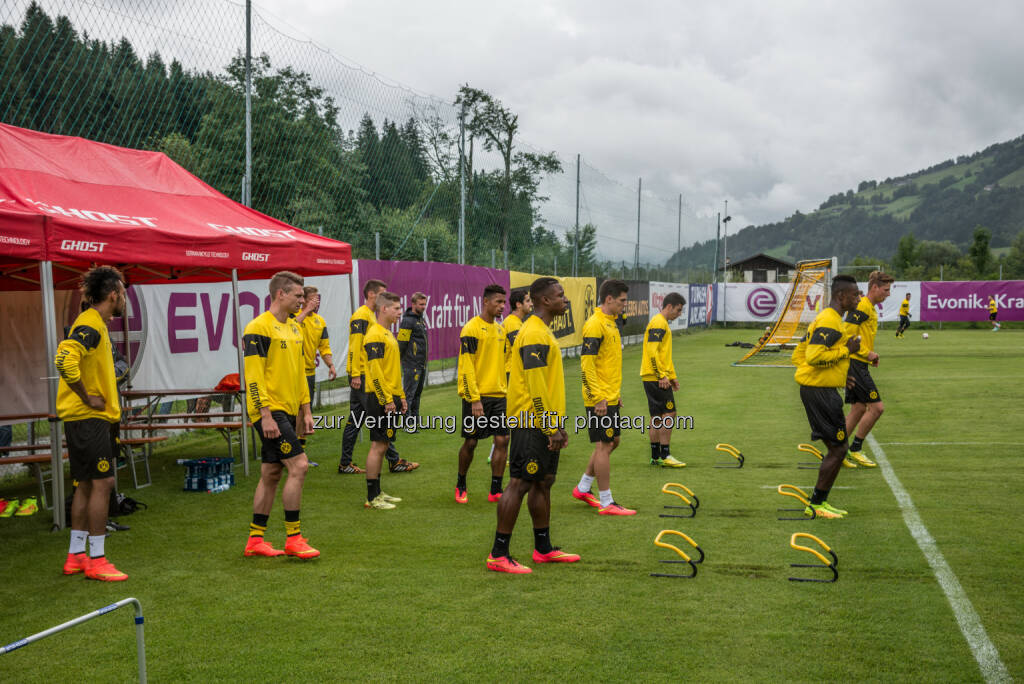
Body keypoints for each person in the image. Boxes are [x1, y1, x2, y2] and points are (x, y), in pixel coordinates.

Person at [487, 277, 580, 574]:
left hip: (544, 421)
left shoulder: (542, 331)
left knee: (543, 481)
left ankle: (543, 549)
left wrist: (557, 424)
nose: (564, 300)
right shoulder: (534, 334)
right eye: (560, 295)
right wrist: (548, 425)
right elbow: (536, 386)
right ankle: (498, 554)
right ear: (544, 301)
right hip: (531, 421)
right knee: (519, 483)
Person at [56, 266, 129, 581]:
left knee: (85, 485)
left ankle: (76, 556)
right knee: (103, 484)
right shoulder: (91, 324)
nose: (125, 297)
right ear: (113, 294)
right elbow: (64, 359)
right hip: (88, 418)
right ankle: (97, 560)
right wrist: (86, 397)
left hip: (86, 419)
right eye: (123, 291)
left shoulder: (93, 323)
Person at [243, 271, 319, 559]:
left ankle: (255, 540)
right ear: (280, 294)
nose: (303, 300)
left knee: (271, 473)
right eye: (299, 295)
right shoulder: (258, 328)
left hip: (287, 411)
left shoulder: (295, 328)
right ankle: (293, 538)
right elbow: (253, 376)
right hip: (269, 411)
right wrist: (265, 415)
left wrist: (306, 409)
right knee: (299, 466)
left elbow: (301, 374)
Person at [792, 274, 862, 519]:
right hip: (819, 393)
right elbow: (812, 356)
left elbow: (799, 354)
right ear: (841, 296)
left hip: (821, 389)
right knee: (839, 449)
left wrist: (837, 377)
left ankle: (819, 502)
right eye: (855, 294)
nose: (858, 298)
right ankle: (816, 504)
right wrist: (847, 350)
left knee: (838, 448)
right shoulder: (829, 320)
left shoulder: (830, 319)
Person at [572, 279, 635, 515]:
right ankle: (607, 502)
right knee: (605, 444)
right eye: (622, 301)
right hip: (599, 399)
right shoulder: (595, 324)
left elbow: (607, 363)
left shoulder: (610, 323)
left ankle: (583, 487)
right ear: (609, 299)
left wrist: (613, 395)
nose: (624, 306)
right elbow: (587, 365)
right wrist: (598, 396)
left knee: (612, 442)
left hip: (609, 396)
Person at [339, 280, 416, 474]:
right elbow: (356, 345)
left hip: (365, 374)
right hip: (364, 375)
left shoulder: (371, 317)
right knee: (379, 418)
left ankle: (345, 462)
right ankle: (394, 460)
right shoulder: (361, 316)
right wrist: (355, 373)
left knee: (356, 419)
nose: (385, 295)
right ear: (372, 294)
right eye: (383, 293)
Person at [455, 285, 510, 504]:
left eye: (503, 302)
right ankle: (461, 484)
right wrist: (474, 398)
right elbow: (466, 366)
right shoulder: (471, 329)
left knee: (502, 439)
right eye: (498, 302)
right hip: (476, 396)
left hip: (499, 396)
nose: (501, 306)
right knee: (471, 442)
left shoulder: (500, 330)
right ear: (485, 302)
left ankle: (495, 489)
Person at [844, 271, 895, 468]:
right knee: (877, 408)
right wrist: (867, 353)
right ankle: (855, 449)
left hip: (858, 363)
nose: (888, 294)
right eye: (885, 290)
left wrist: (868, 354)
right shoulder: (863, 306)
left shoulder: (869, 307)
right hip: (855, 364)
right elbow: (847, 335)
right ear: (874, 288)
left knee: (858, 408)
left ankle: (838, 451)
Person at [362, 292, 407, 509]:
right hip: (380, 398)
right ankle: (372, 497)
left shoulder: (388, 334)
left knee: (385, 443)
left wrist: (401, 397)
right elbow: (375, 371)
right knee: (378, 446)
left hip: (391, 397)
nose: (400, 312)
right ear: (384, 309)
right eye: (396, 308)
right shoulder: (374, 335)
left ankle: (378, 492)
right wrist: (386, 399)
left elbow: (392, 371)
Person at [641, 292, 686, 467]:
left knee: (657, 417)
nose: (679, 314)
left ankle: (655, 456)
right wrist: (661, 375)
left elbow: (663, 355)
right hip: (655, 376)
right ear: (669, 306)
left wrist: (672, 376)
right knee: (669, 413)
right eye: (678, 310)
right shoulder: (659, 323)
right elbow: (652, 352)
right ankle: (665, 455)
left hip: (652, 375)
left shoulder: (660, 323)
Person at [294, 285, 336, 450]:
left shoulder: (320, 321)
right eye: (313, 299)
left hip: (309, 373)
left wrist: (331, 364)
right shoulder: (294, 316)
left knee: (305, 414)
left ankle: (300, 452)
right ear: (303, 300)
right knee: (292, 414)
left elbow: (324, 347)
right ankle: (288, 452)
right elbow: (289, 327)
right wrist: (305, 311)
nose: (316, 302)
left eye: (318, 299)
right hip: (292, 373)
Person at [397, 292, 429, 425]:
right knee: (409, 395)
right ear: (413, 304)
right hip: (411, 364)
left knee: (417, 394)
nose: (424, 307)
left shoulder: (420, 319)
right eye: (421, 304)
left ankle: (415, 421)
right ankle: (407, 423)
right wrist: (399, 359)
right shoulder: (408, 321)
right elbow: (401, 343)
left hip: (421, 364)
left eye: (425, 304)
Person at [503, 288, 532, 381]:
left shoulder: (514, 322)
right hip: (511, 373)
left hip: (511, 372)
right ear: (518, 304)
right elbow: (520, 350)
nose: (531, 304)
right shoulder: (513, 323)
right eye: (527, 301)